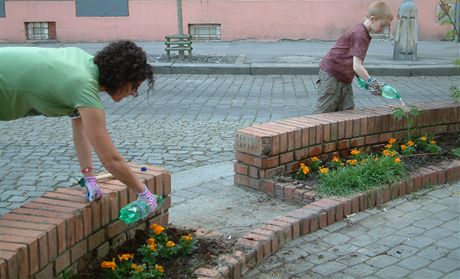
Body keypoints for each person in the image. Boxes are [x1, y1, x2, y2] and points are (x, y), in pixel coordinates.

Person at [0, 40, 159, 213]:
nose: (134, 93)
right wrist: (145, 194)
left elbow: (80, 128)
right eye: (134, 86)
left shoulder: (84, 63)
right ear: (122, 78)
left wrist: (89, 177)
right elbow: (111, 160)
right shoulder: (84, 86)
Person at [313, 1, 394, 113]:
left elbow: (351, 60)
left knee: (347, 110)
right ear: (373, 19)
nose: (383, 29)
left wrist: (362, 79)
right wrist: (372, 82)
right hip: (332, 75)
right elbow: (357, 66)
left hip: (343, 77)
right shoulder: (360, 35)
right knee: (323, 113)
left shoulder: (361, 31)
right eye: (383, 25)